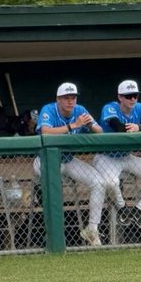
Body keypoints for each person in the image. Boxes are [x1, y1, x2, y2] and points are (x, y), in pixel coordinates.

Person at [35, 81, 107, 247]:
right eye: (66, 98)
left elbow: (100, 131)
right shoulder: (49, 109)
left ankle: (92, 229)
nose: (70, 101)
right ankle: (52, 233)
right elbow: (45, 132)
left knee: (100, 182)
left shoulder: (80, 110)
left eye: (73, 97)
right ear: (58, 99)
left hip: (68, 159)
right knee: (52, 183)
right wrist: (72, 125)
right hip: (45, 160)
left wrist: (90, 126)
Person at [94, 79, 141, 229]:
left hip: (126, 156)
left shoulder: (140, 108)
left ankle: (139, 211)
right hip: (106, 157)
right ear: (120, 97)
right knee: (111, 183)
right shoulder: (110, 107)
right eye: (128, 96)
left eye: (135, 95)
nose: (133, 99)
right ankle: (123, 209)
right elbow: (118, 126)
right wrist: (139, 128)